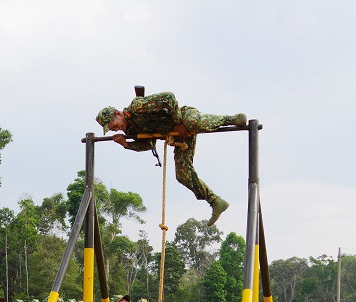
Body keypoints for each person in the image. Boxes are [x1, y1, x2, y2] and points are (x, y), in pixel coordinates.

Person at [96, 92, 246, 226]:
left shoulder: (137, 107)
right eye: (113, 129)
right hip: (177, 135)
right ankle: (215, 201)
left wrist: (178, 123)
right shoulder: (131, 130)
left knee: (192, 122)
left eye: (114, 125)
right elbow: (149, 144)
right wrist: (127, 144)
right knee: (182, 175)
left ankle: (232, 119)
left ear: (118, 113)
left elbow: (169, 98)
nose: (116, 129)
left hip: (182, 118)